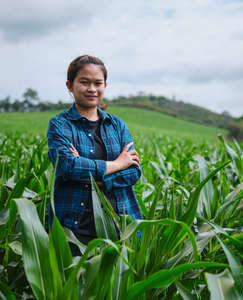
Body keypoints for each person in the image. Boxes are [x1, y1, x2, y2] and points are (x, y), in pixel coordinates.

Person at [47, 55, 142, 256]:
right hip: (74, 228)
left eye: (98, 83)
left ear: (105, 85)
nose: (92, 89)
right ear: (69, 85)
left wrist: (90, 174)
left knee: (117, 284)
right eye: (84, 82)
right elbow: (68, 167)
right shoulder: (60, 125)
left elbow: (133, 172)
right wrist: (117, 164)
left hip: (120, 224)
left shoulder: (117, 125)